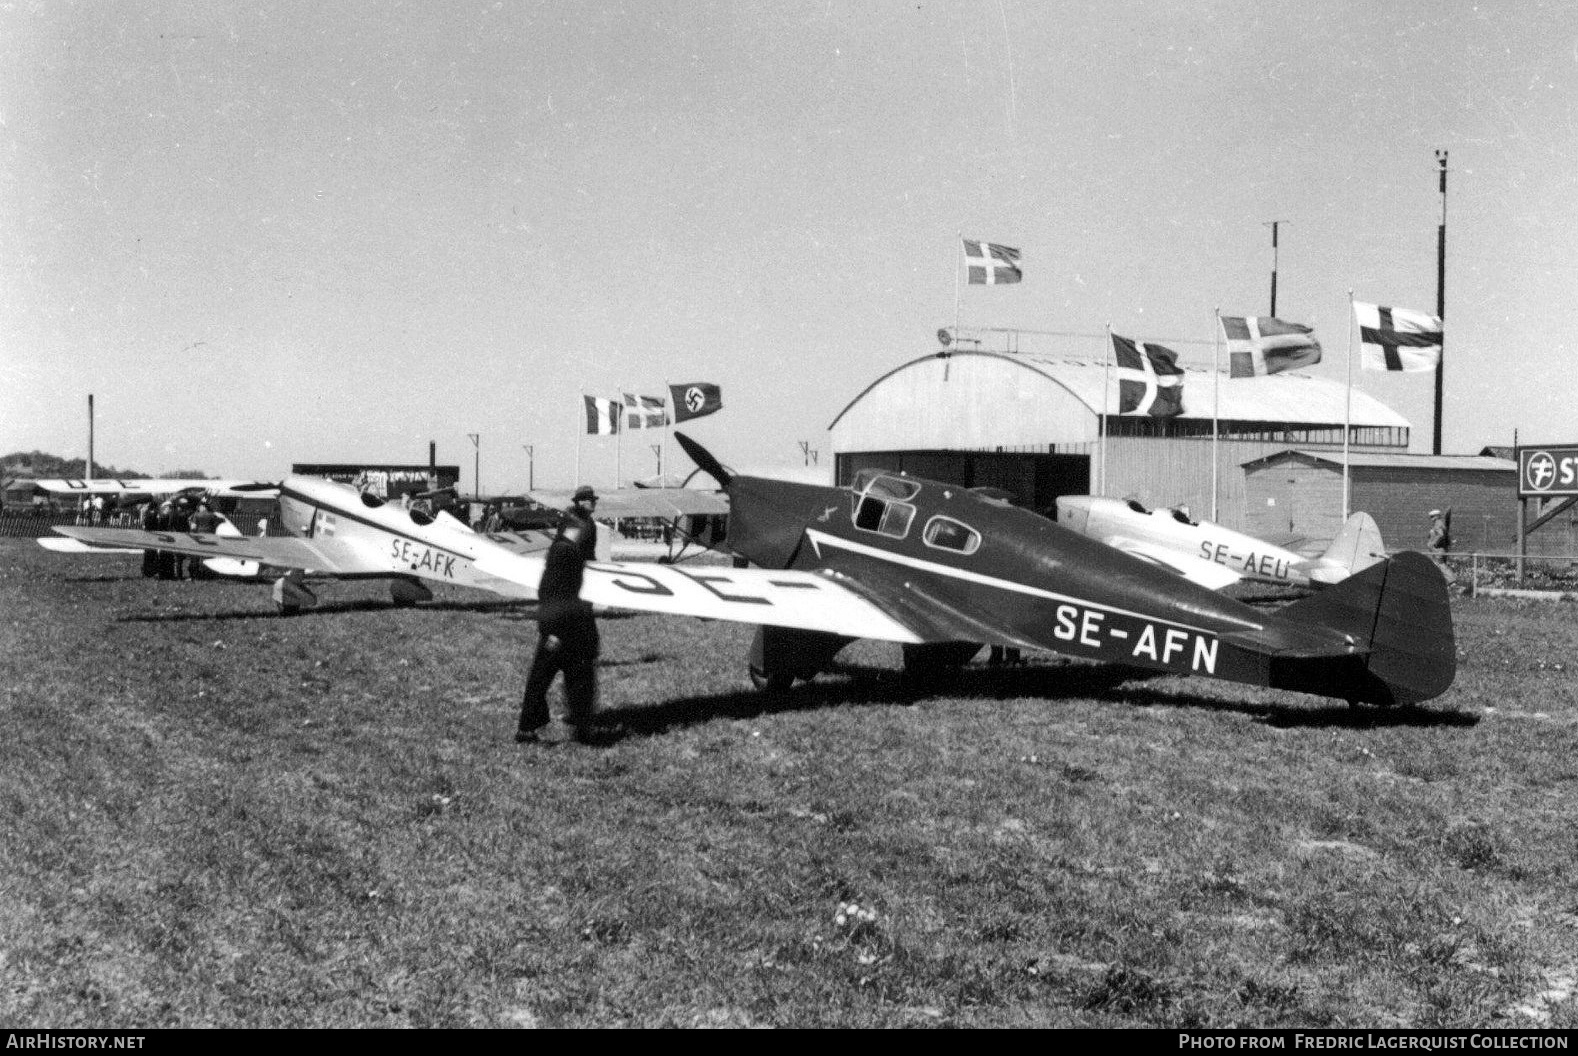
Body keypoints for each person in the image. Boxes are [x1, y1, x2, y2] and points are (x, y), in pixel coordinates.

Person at [516, 517, 608, 745]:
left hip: (568, 627)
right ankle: (533, 729)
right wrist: (553, 631)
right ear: (574, 530)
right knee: (554, 681)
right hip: (563, 629)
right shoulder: (565, 552)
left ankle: (535, 729)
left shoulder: (564, 550)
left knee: (563, 680)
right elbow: (551, 591)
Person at [566, 485, 599, 560]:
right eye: (591, 500)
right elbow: (567, 548)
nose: (594, 503)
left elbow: (590, 552)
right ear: (581, 502)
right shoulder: (574, 521)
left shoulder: (589, 522)